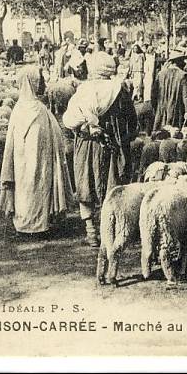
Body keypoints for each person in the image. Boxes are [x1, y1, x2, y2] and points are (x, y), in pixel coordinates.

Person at [63, 53, 137, 246]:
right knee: (111, 184)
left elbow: (70, 121)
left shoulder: (82, 91)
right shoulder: (118, 90)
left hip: (87, 144)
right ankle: (110, 229)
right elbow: (131, 119)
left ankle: (91, 231)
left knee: (86, 182)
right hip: (112, 144)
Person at [0, 65, 71, 236]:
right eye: (40, 80)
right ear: (31, 83)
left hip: (35, 159)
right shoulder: (38, 110)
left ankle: (33, 222)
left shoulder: (22, 109)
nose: (43, 84)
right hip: (30, 160)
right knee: (32, 186)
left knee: (34, 186)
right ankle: (32, 222)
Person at [151, 48, 187, 131]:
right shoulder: (183, 75)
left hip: (161, 108)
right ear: (178, 61)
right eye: (182, 60)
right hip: (176, 109)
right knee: (174, 133)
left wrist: (156, 106)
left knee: (159, 134)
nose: (184, 63)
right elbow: (186, 96)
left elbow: (153, 93)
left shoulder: (160, 74)